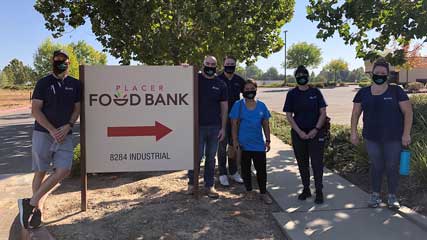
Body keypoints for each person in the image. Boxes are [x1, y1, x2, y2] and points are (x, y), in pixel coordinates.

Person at [18, 50, 81, 229]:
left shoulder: (75, 84)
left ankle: (30, 203)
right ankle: (37, 210)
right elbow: (35, 110)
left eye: (63, 61)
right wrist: (52, 130)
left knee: (64, 170)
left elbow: (77, 109)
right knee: (41, 171)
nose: (60, 63)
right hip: (43, 133)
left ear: (69, 63)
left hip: (65, 134)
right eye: (57, 60)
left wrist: (69, 125)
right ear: (53, 62)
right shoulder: (43, 83)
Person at [351, 59, 413, 209]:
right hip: (371, 137)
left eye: (383, 73)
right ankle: (375, 195)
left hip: (393, 137)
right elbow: (355, 114)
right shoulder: (363, 93)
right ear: (372, 73)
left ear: (388, 75)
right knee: (376, 165)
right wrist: (353, 132)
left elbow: (408, 113)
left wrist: (406, 134)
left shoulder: (396, 91)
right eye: (377, 73)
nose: (380, 75)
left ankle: (392, 196)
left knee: (392, 166)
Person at [283, 65, 327, 204]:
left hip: (316, 132)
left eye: (304, 75)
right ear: (296, 77)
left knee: (317, 163)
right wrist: (299, 132)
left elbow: (323, 113)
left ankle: (319, 190)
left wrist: (315, 129)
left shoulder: (316, 92)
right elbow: (289, 115)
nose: (302, 77)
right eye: (299, 75)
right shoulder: (292, 94)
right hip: (298, 134)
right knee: (302, 163)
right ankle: (306, 188)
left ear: (308, 76)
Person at [187, 55, 228, 198]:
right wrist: (183, 69)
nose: (210, 66)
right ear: (203, 64)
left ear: (217, 66)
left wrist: (223, 128)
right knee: (196, 157)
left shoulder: (221, 84)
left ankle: (209, 186)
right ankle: (192, 184)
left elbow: (224, 108)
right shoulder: (194, 79)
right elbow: (179, 81)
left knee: (211, 158)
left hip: (215, 128)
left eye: (213, 64)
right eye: (207, 63)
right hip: (197, 127)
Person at [230, 79, 273, 204]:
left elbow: (265, 124)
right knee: (245, 169)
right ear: (243, 91)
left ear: (256, 89)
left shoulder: (262, 106)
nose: (249, 91)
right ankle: (248, 191)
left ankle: (263, 193)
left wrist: (268, 140)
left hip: (259, 145)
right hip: (244, 145)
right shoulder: (238, 105)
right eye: (247, 89)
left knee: (262, 171)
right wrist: (235, 141)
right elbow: (234, 124)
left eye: (252, 89)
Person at [217, 56, 245, 187]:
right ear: (223, 65)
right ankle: (222, 173)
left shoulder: (239, 80)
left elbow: (249, 94)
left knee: (233, 145)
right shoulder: (217, 79)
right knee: (221, 147)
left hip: (235, 120)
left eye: (232, 64)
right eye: (227, 64)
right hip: (220, 119)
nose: (229, 66)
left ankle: (233, 171)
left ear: (235, 65)